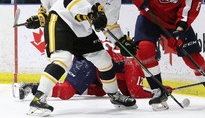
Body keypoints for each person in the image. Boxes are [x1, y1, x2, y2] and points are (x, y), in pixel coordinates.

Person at [28, 0, 137, 117]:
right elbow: (69, 0)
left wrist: (121, 42)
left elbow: (111, 25)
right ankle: (38, 100)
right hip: (62, 20)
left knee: (104, 59)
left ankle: (115, 96)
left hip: (82, 28)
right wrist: (91, 12)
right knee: (62, 59)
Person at [13, 40, 152, 100]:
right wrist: (158, 92)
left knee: (102, 91)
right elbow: (136, 92)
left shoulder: (128, 56)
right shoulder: (133, 61)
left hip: (95, 64)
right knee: (67, 92)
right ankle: (31, 88)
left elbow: (125, 87)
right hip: (90, 62)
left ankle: (79, 85)